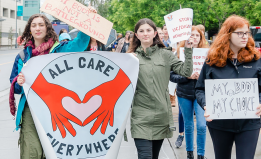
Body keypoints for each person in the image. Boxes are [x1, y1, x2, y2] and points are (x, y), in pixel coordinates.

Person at [9, 7, 96, 159]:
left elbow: (80, 44)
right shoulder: (22, 55)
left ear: (47, 28)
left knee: (55, 152)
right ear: (30, 29)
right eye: (34, 25)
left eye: (41, 24)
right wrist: (19, 83)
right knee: (31, 152)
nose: (37, 28)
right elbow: (14, 84)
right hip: (30, 109)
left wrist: (87, 20)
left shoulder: (59, 50)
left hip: (57, 108)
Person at [196, 15, 261, 159]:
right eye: (240, 33)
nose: (245, 36)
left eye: (247, 33)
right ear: (228, 34)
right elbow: (200, 89)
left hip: (249, 123)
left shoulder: (256, 59)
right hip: (220, 124)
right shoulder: (212, 61)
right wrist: (206, 105)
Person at [127, 18, 193, 159]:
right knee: (145, 156)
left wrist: (188, 50)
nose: (145, 33)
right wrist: (126, 63)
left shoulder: (166, 54)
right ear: (136, 35)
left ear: (155, 33)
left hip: (161, 116)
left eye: (149, 30)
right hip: (140, 117)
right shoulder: (131, 58)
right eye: (141, 31)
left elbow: (186, 72)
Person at [170, 26, 209, 159]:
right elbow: (172, 76)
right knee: (188, 124)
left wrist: (204, 77)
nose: (194, 37)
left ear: (201, 37)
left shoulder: (208, 54)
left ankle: (201, 155)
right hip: (184, 93)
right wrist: (187, 76)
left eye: (197, 35)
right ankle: (190, 153)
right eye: (191, 35)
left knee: (202, 126)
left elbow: (214, 74)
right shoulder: (179, 54)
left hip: (201, 94)